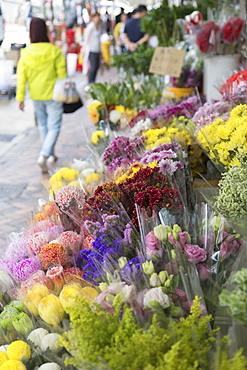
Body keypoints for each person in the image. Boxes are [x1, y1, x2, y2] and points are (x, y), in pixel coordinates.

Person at [16, 17, 67, 174]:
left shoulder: (25, 53)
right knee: (54, 126)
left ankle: (49, 154)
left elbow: (21, 77)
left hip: (36, 95)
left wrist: (21, 98)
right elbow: (62, 75)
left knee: (44, 126)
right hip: (54, 95)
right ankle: (44, 155)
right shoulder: (55, 51)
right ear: (45, 31)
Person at [82, 12, 103, 87]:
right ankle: (89, 82)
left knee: (96, 67)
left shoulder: (99, 27)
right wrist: (84, 49)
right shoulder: (90, 27)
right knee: (93, 67)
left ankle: (93, 81)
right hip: (91, 50)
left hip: (97, 49)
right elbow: (86, 39)